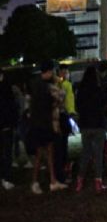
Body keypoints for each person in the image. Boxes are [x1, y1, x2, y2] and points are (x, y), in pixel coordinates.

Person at [29, 60, 67, 194]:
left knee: (47, 153)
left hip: (38, 123)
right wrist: (58, 82)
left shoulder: (36, 84)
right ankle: (37, 182)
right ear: (50, 71)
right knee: (42, 154)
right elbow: (62, 96)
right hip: (44, 123)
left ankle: (51, 180)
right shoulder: (46, 86)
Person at [75, 66, 107, 193]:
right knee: (98, 154)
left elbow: (78, 106)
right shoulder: (99, 90)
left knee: (85, 153)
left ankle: (80, 180)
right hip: (98, 125)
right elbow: (105, 104)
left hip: (85, 125)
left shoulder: (81, 91)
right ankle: (98, 182)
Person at [54, 64, 75, 184]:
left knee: (60, 146)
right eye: (65, 71)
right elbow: (66, 101)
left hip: (62, 116)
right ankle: (62, 171)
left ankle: (61, 170)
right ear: (61, 72)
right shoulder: (65, 85)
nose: (67, 74)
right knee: (62, 146)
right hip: (64, 116)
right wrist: (71, 112)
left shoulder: (59, 84)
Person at [0, 71, 17, 190]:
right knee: (7, 153)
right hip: (6, 125)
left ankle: (4, 177)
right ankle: (7, 178)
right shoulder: (6, 88)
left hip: (4, 124)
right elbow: (11, 106)